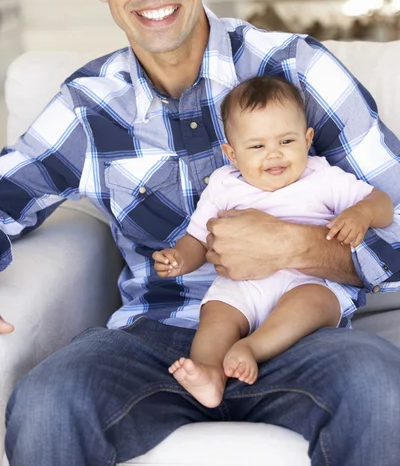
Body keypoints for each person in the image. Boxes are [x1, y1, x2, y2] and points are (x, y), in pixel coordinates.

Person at [1, 0, 400, 466]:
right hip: (153, 340)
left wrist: (294, 245)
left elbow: (395, 210)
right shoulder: (88, 106)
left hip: (298, 331)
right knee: (46, 401)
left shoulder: (297, 68)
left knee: (382, 388)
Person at [153, 75, 394, 408]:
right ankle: (209, 373)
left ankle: (253, 347)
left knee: (314, 302)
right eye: (257, 146)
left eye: (286, 141)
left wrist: (363, 214)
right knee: (216, 315)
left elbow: (383, 202)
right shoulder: (224, 184)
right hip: (242, 286)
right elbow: (197, 238)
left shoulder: (321, 176)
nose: (274, 156)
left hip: (308, 280)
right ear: (232, 154)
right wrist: (178, 258)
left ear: (308, 139)